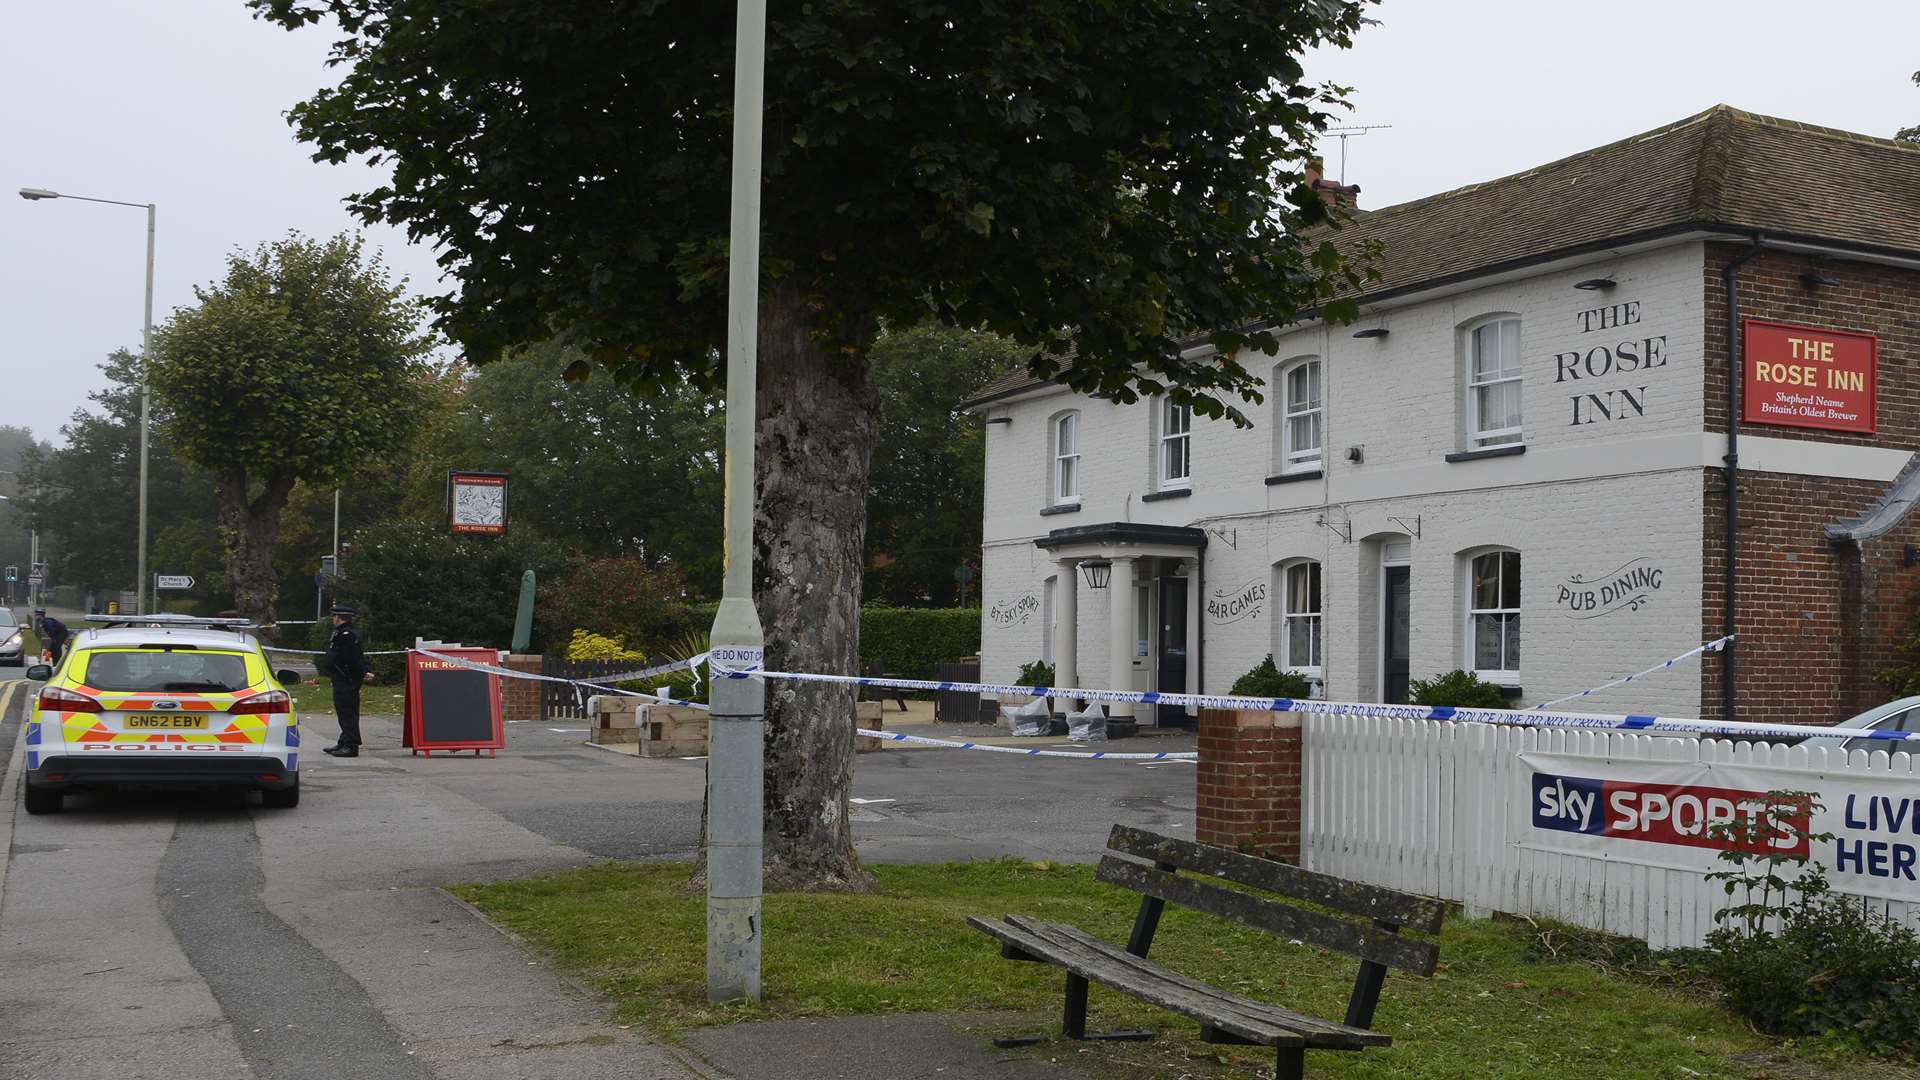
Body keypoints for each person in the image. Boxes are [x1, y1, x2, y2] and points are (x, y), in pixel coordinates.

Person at [322, 604, 374, 757]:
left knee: (347, 712)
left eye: (334, 616)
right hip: (342, 677)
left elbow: (352, 658)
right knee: (344, 711)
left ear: (338, 617)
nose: (333, 618)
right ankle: (344, 741)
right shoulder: (341, 632)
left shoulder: (347, 635)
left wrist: (364, 671)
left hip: (347, 678)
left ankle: (351, 745)